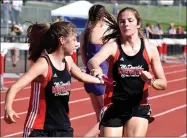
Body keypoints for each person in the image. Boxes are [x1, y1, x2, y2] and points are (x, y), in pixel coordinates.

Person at [4, 21, 105, 137]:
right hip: (39, 129)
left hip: (63, 128)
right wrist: (8, 108)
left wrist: (101, 80)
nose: (76, 44)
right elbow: (15, 87)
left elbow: (81, 76)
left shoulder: (67, 60)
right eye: (73, 40)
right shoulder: (43, 64)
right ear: (62, 40)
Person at [87, 7, 167, 137]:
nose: (126, 24)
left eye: (130, 20)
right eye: (122, 21)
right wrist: (96, 68)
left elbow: (163, 83)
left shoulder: (150, 49)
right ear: (119, 25)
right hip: (114, 104)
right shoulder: (113, 46)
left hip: (139, 105)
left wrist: (150, 81)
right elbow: (93, 61)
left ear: (138, 23)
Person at [79, 4, 109, 137]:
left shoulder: (85, 32)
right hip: (102, 75)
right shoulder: (104, 31)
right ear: (103, 17)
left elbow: (84, 56)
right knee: (107, 117)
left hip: (88, 76)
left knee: (99, 116)